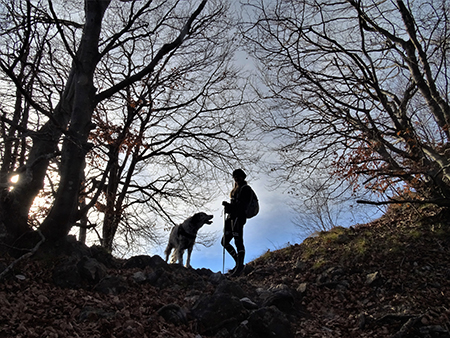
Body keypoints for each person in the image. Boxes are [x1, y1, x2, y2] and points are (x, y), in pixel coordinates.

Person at [221, 168, 252, 277]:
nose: (236, 178)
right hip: (232, 218)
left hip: (239, 218)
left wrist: (229, 207)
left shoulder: (246, 189)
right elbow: (235, 206)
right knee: (224, 241)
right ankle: (238, 263)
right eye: (235, 177)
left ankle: (240, 267)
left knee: (238, 241)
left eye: (238, 176)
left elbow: (241, 206)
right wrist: (228, 207)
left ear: (243, 177)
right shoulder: (235, 191)